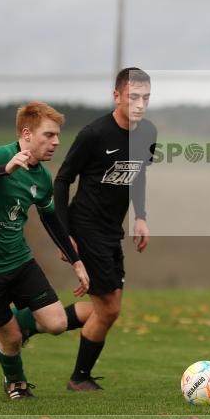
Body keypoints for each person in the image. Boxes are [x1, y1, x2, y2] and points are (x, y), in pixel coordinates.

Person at [0, 102, 90, 400]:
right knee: (11, 339)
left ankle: (17, 326)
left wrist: (76, 262)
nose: (56, 142)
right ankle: (15, 382)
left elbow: (50, 219)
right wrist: (4, 170)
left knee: (56, 323)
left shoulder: (42, 177)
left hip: (18, 261)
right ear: (27, 134)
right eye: (49, 135)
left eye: (57, 135)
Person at [54, 67, 156, 391]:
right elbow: (62, 180)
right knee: (109, 309)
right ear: (116, 96)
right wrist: (64, 234)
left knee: (108, 309)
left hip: (113, 230)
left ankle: (31, 324)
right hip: (86, 226)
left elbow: (138, 174)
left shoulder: (147, 133)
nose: (140, 104)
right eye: (133, 97)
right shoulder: (94, 134)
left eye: (146, 98)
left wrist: (140, 216)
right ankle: (79, 378)